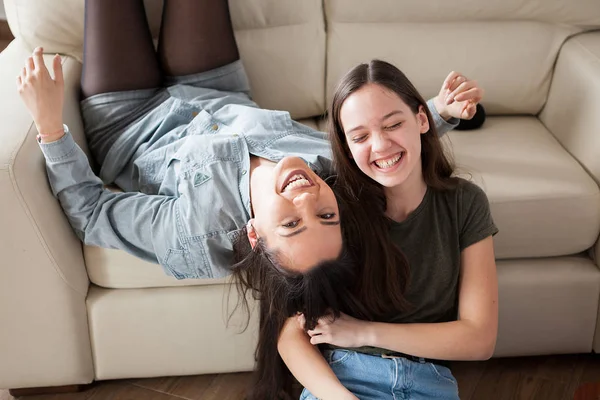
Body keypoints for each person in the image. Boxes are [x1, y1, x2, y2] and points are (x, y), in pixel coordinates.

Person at [15, 1, 485, 398]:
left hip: (128, 118)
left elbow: (92, 213)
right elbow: (379, 149)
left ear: (255, 234)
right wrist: (439, 113)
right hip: (220, 89)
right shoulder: (332, 176)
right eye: (325, 215)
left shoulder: (195, 237)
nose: (306, 198)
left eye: (292, 225)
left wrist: (49, 124)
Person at [276, 59, 498, 400]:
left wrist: (363, 332)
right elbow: (290, 335)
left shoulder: (465, 203)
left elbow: (479, 338)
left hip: (429, 382)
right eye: (360, 136)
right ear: (347, 148)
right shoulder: (331, 208)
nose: (380, 146)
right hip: (344, 379)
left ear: (423, 119)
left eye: (393, 124)